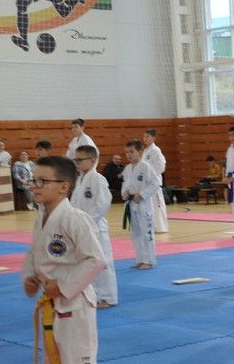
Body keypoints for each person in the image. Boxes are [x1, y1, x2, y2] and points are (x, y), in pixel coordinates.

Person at [23, 155, 110, 364]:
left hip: (75, 305)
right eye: (34, 180)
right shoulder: (42, 216)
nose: (35, 185)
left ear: (63, 187)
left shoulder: (75, 218)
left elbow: (96, 260)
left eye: (42, 181)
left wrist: (63, 284)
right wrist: (30, 277)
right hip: (51, 304)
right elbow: (35, 253)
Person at [71, 145, 118, 308]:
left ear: (92, 160)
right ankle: (95, 294)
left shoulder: (97, 178)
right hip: (82, 227)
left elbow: (103, 202)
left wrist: (88, 221)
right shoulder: (80, 179)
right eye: (75, 160)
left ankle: (108, 296)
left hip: (96, 226)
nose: (76, 163)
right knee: (88, 263)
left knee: (103, 261)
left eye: (79, 160)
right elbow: (74, 204)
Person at [120, 140, 160, 269]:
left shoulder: (146, 167)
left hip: (143, 205)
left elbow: (155, 184)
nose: (128, 154)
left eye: (131, 152)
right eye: (126, 152)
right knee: (135, 233)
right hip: (131, 205)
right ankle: (140, 259)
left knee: (146, 233)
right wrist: (124, 193)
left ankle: (149, 260)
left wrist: (141, 194)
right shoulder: (127, 169)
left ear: (140, 152)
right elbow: (125, 185)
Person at [141, 129, 168, 232]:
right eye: (144, 136)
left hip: (155, 183)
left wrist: (151, 175)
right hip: (147, 184)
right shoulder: (145, 151)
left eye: (147, 136)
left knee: (158, 206)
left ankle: (161, 227)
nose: (145, 138)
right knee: (149, 207)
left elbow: (162, 166)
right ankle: (151, 226)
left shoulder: (156, 150)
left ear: (153, 138)